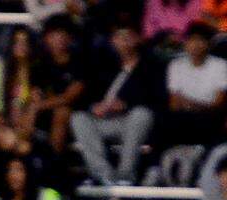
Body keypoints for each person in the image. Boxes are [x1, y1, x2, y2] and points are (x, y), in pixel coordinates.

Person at [69, 22, 161, 186]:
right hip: (105, 121)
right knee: (78, 118)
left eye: (128, 36)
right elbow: (88, 96)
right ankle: (103, 174)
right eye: (119, 36)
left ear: (138, 39)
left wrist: (125, 104)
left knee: (141, 114)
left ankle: (125, 174)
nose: (124, 40)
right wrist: (95, 107)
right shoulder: (105, 66)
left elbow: (154, 97)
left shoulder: (150, 66)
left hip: (131, 121)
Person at [165, 21, 227, 148]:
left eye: (201, 41)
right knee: (168, 119)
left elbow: (219, 102)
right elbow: (173, 103)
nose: (196, 45)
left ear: (208, 44)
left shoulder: (221, 65)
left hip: (210, 116)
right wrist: (190, 106)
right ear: (186, 43)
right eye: (192, 40)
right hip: (184, 116)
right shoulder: (176, 65)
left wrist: (193, 104)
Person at [31, 15, 86, 156]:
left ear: (70, 38)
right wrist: (34, 107)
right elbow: (35, 94)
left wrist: (38, 106)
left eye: (63, 34)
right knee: (27, 113)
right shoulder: (41, 65)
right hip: (45, 111)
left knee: (62, 111)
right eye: (54, 34)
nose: (59, 39)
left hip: (77, 117)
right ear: (46, 38)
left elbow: (69, 97)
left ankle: (54, 163)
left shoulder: (80, 63)